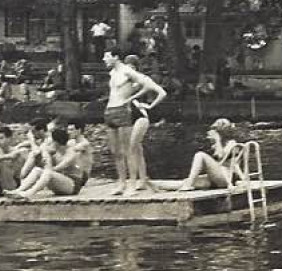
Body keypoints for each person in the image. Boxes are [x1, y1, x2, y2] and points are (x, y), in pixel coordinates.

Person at [101, 51, 166, 195]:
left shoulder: (128, 72)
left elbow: (156, 89)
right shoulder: (112, 73)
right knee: (115, 152)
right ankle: (121, 183)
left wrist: (136, 99)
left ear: (115, 57)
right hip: (110, 111)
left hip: (123, 110)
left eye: (107, 56)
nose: (104, 59)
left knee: (129, 149)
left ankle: (132, 184)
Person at [123, 53, 167, 193]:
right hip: (127, 117)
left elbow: (162, 93)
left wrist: (150, 105)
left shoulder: (142, 80)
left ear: (136, 67)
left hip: (140, 116)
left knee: (132, 147)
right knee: (137, 149)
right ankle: (142, 180)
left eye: (131, 67)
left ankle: (134, 181)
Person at [11, 123, 90, 198]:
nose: (50, 144)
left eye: (52, 142)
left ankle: (29, 193)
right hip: (60, 183)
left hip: (72, 186)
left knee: (47, 172)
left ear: (56, 142)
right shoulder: (57, 151)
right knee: (37, 170)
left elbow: (56, 168)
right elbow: (39, 151)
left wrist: (47, 157)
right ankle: (18, 191)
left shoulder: (71, 153)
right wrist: (44, 152)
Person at [173, 119, 245, 192]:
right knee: (188, 180)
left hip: (227, 177)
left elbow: (221, 157)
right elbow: (214, 162)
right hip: (217, 178)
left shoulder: (232, 143)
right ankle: (167, 185)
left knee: (200, 155)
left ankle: (189, 185)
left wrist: (217, 140)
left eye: (214, 132)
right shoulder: (218, 145)